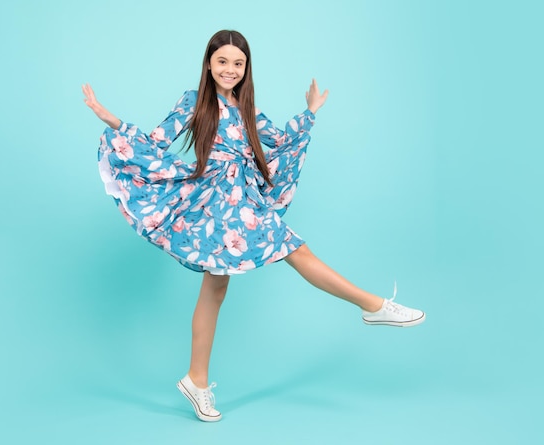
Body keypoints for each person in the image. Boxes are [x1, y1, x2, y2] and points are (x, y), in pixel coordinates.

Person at [82, 29, 425, 423]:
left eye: (238, 63)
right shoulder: (194, 102)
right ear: (208, 63)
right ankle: (373, 306)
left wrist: (309, 113)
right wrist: (114, 122)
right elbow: (155, 142)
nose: (230, 69)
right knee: (257, 269)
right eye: (223, 61)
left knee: (232, 280)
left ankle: (197, 379)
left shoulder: (248, 110)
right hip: (213, 204)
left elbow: (279, 143)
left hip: (243, 202)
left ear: (247, 69)